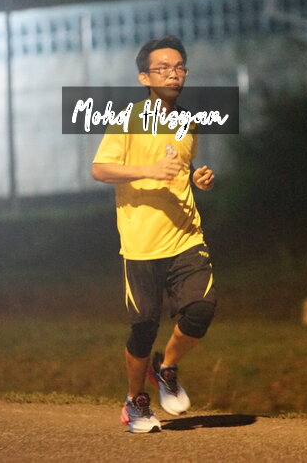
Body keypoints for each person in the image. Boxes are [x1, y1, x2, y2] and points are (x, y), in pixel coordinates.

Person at [92, 35, 216, 433]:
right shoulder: (126, 120)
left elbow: (180, 167)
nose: (173, 74)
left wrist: (197, 179)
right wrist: (147, 170)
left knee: (202, 308)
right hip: (141, 245)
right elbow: (100, 169)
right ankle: (136, 400)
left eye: (179, 67)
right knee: (144, 328)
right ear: (145, 77)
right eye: (163, 68)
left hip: (186, 237)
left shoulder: (189, 122)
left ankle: (167, 368)